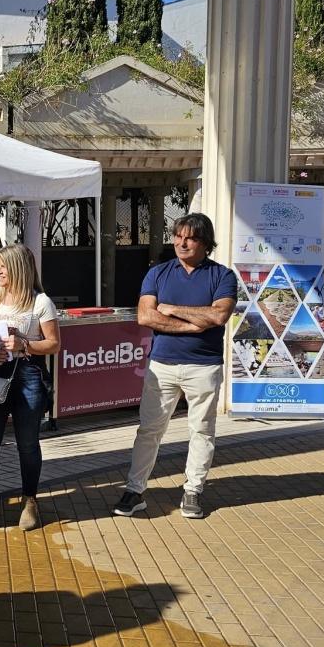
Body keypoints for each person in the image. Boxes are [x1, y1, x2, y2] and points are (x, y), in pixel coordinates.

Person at [116, 213, 237, 520]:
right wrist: (192, 325)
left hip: (204, 366)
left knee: (202, 431)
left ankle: (193, 491)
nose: (182, 243)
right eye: (178, 236)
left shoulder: (222, 276)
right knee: (149, 430)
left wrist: (170, 309)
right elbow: (145, 316)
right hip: (162, 365)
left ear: (205, 243)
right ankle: (134, 490)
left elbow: (219, 316)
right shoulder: (157, 273)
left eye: (191, 238)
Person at [0, 243, 60, 533]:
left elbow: (54, 344)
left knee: (27, 443)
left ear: (19, 268)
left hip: (29, 374)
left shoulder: (41, 302)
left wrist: (25, 345)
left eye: (4, 265)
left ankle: (30, 501)